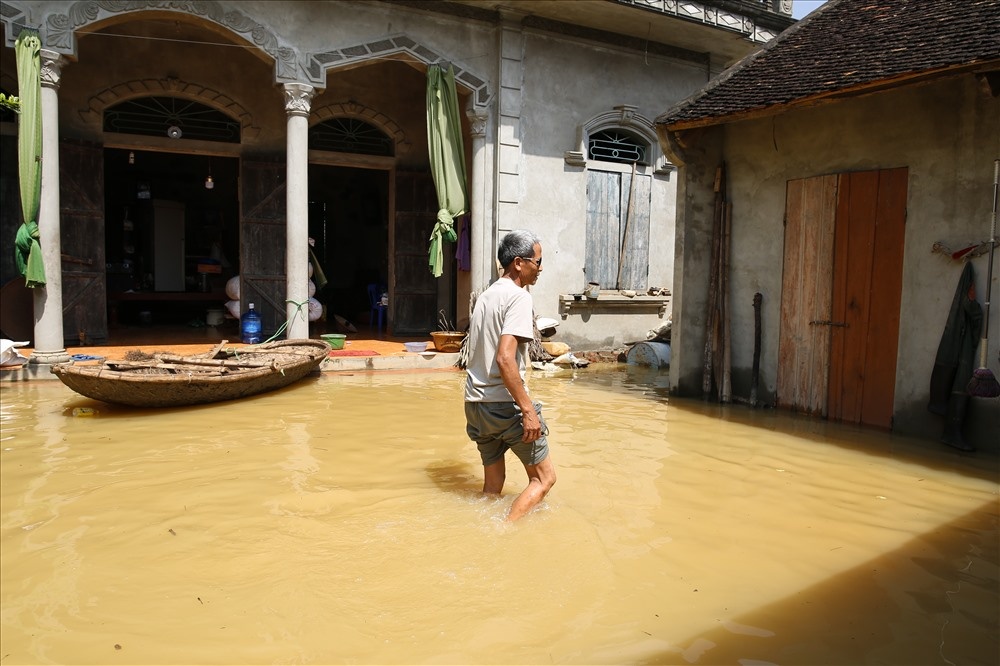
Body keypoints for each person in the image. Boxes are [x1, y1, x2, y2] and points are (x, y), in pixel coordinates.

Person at [464, 229, 556, 521]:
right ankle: (504, 533)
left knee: (492, 488)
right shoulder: (518, 297)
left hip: (476, 405)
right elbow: (505, 358)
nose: (540, 269)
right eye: (538, 262)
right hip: (504, 405)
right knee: (544, 479)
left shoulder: (486, 296)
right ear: (519, 262)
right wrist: (528, 411)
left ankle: (481, 528)